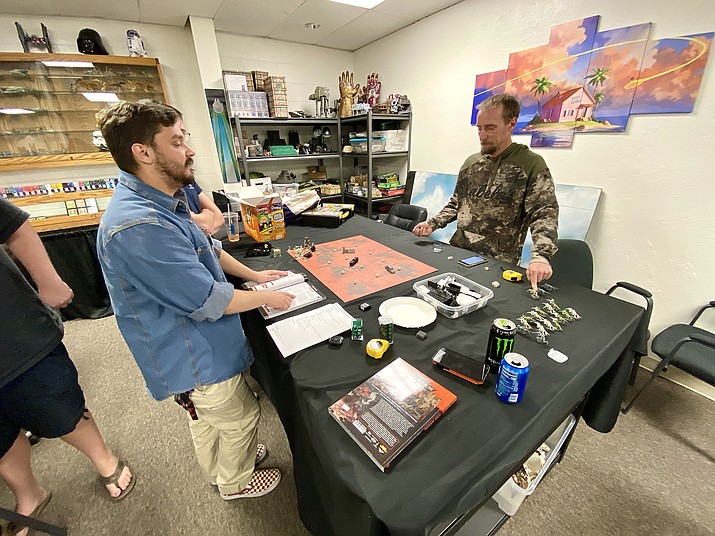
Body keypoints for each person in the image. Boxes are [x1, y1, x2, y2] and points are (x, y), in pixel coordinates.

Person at [95, 100, 294, 500]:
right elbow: (209, 300)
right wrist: (266, 297)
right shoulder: (139, 225)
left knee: (204, 416)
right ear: (144, 152)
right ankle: (234, 482)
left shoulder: (163, 197)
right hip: (193, 354)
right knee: (240, 416)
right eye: (177, 141)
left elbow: (205, 247)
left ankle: (216, 467)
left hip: (194, 348)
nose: (190, 150)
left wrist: (254, 276)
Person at [0, 198, 135, 536]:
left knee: (60, 408)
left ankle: (103, 457)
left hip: (15, 335)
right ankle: (28, 493)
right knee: (0, 439)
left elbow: (13, 225)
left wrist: (49, 281)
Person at [413, 93, 559, 289]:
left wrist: (541, 256)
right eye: (479, 128)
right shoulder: (471, 163)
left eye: (490, 128)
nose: (482, 135)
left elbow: (544, 213)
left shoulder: (531, 164)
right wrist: (432, 224)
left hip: (498, 262)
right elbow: (457, 203)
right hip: (458, 252)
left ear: (511, 123)